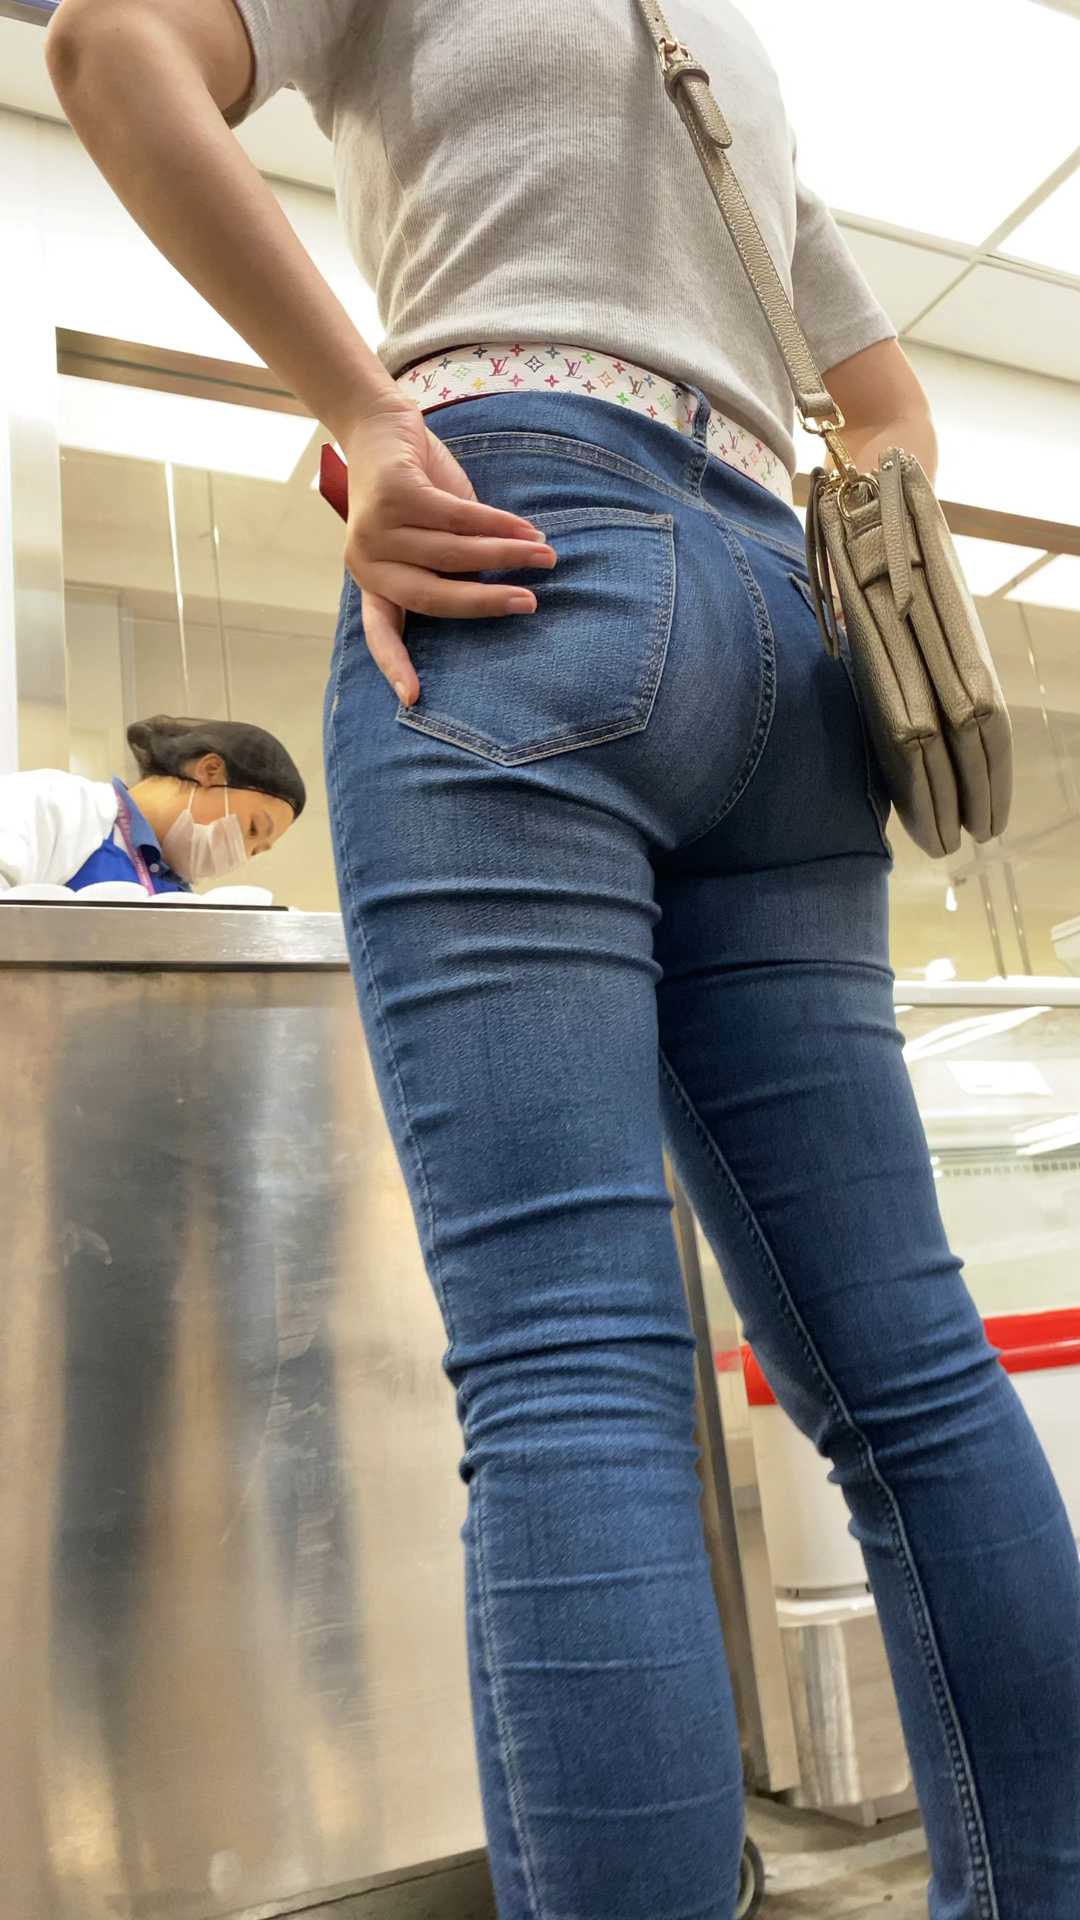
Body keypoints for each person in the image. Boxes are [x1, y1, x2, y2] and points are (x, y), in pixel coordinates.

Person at [46, 3, 1080, 1917]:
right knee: (917, 1378)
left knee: (572, 1372)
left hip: (522, 560)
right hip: (788, 651)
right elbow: (890, 414)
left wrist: (367, 416)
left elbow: (115, 51)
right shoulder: (725, 53)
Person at [0, 714, 304, 893]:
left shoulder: (177, 891)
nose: (241, 855)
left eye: (256, 851)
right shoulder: (53, 804)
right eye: (253, 829)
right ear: (211, 771)